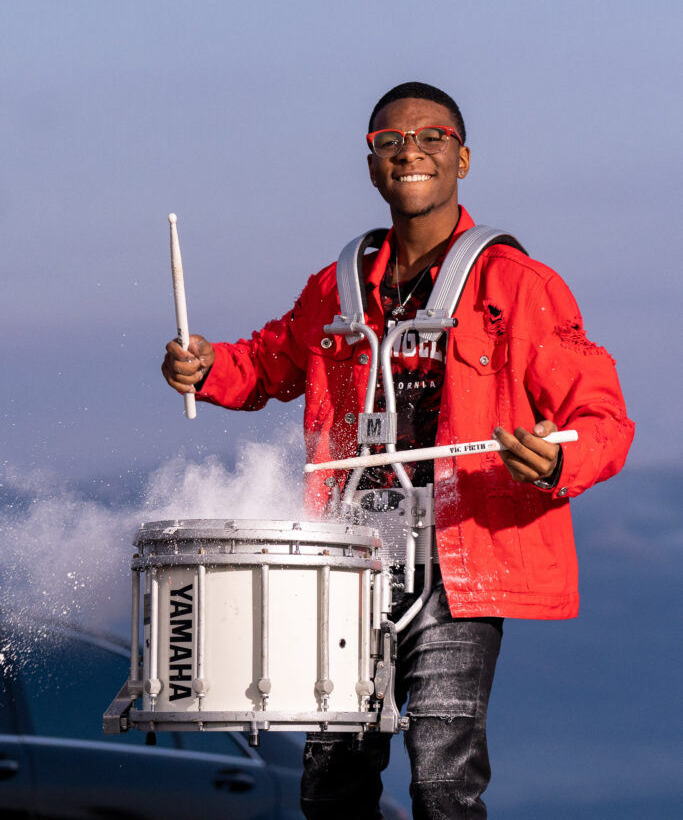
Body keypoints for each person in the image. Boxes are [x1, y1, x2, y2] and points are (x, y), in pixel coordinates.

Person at [162, 81, 634, 819]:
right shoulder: (338, 286)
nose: (408, 151)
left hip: (458, 559)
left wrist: (558, 461)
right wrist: (203, 365)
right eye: (388, 141)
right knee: (332, 783)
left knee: (442, 780)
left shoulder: (518, 285)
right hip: (344, 561)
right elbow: (266, 363)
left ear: (462, 157)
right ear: (372, 162)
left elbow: (600, 416)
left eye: (430, 137)